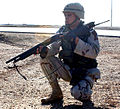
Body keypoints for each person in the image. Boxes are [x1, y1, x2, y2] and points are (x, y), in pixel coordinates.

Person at [37, 2, 100, 104]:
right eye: (65, 15)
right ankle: (56, 93)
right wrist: (46, 50)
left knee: (78, 93)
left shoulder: (89, 32)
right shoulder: (63, 30)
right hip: (69, 70)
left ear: (78, 16)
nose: (66, 18)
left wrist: (76, 41)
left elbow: (94, 52)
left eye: (69, 15)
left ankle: (85, 88)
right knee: (45, 58)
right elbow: (54, 46)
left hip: (86, 71)